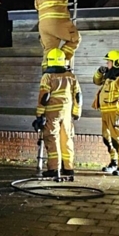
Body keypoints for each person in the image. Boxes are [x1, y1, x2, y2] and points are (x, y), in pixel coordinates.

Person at [32, 48, 82, 181]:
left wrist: (39, 114)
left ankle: (54, 169)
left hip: (52, 113)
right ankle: (68, 168)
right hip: (67, 113)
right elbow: (78, 96)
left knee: (52, 138)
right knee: (67, 138)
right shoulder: (71, 76)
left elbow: (44, 97)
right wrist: (77, 111)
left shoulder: (48, 77)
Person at [92, 50, 119, 176]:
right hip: (105, 112)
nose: (107, 63)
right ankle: (114, 162)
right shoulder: (109, 75)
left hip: (116, 113)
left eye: (109, 61)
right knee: (107, 138)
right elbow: (96, 81)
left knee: (118, 139)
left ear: (117, 63)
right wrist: (99, 72)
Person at [35, 0, 80, 67]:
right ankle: (61, 60)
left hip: (43, 27)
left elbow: (37, 7)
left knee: (49, 51)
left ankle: (46, 72)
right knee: (75, 39)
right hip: (59, 23)